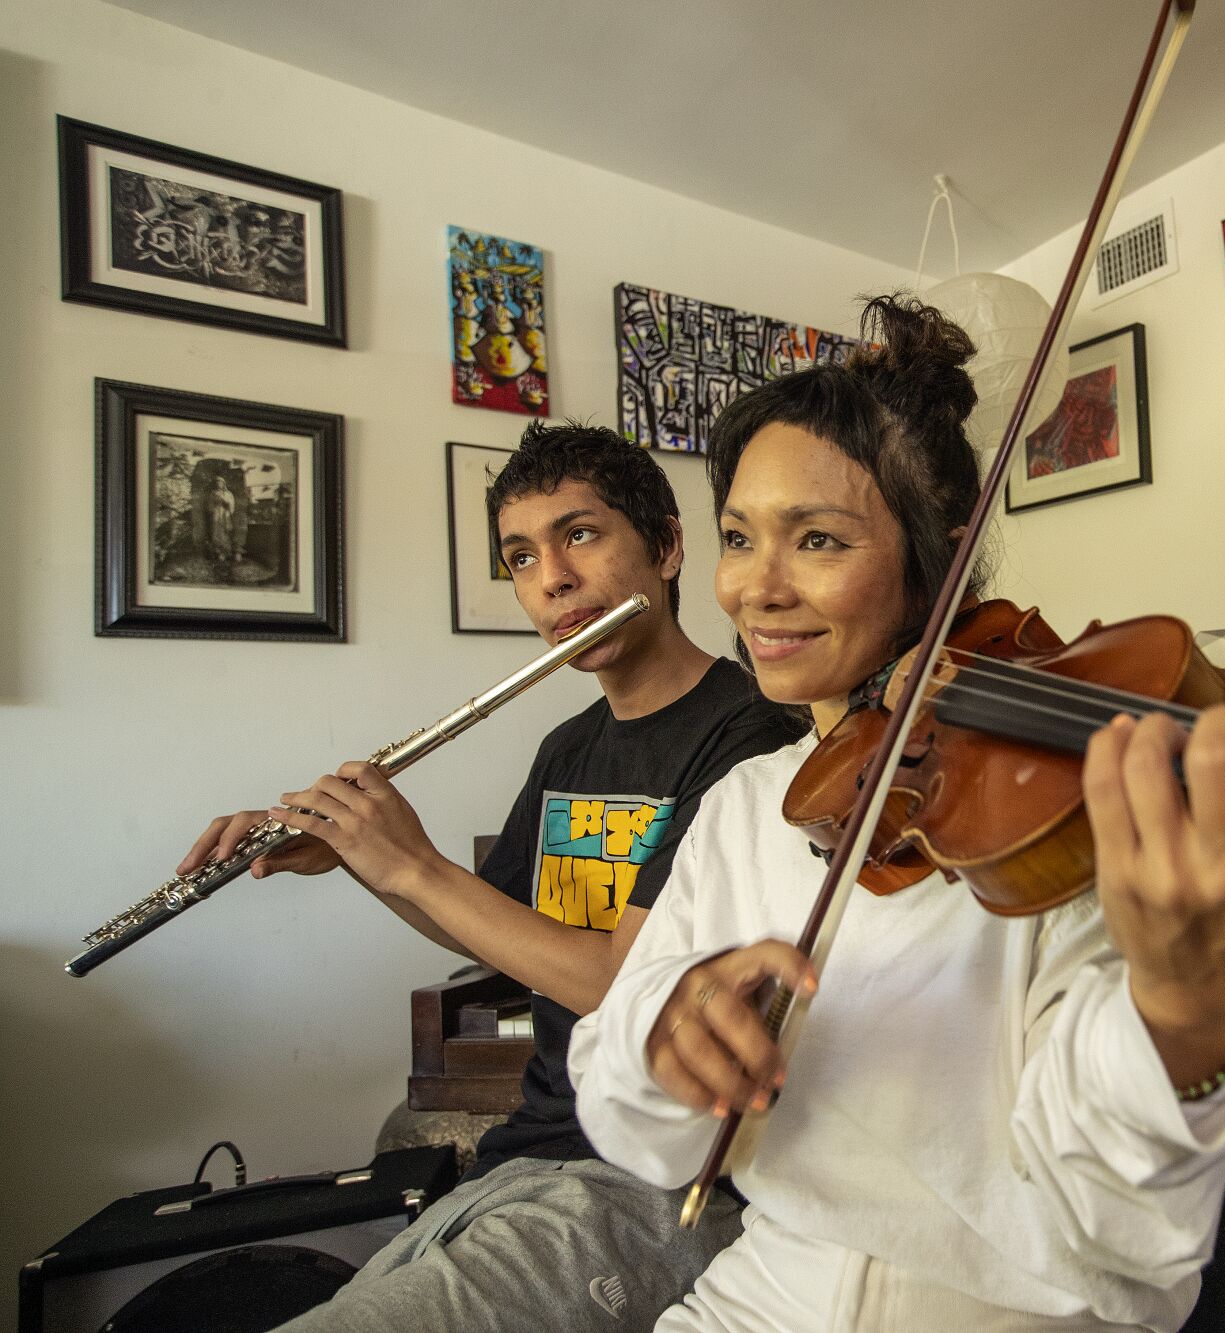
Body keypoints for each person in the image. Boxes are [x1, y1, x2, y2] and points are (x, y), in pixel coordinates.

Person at [570, 297, 1225, 1331]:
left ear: (938, 550)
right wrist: (662, 1040)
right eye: (738, 537)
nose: (755, 588)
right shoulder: (745, 805)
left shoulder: (1052, 802)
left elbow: (1119, 1237)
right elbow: (622, 1100)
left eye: (819, 540)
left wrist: (1182, 1013)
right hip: (759, 1297)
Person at [180, 421, 804, 1332]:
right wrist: (359, 855)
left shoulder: (750, 737)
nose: (550, 578)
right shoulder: (569, 745)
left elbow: (622, 982)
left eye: (579, 535)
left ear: (668, 547)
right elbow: (503, 929)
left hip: (652, 1174)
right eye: (521, 555)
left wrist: (416, 862)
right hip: (531, 1153)